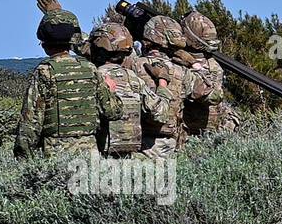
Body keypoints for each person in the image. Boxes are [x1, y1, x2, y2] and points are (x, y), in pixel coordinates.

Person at [16, 8, 117, 159]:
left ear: (44, 43)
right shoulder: (90, 68)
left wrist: (24, 160)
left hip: (56, 154)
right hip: (90, 154)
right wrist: (110, 90)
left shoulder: (45, 71)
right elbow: (113, 111)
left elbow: (30, 123)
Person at [88, 22, 175, 157]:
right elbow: (161, 113)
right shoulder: (133, 79)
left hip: (98, 156)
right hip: (128, 157)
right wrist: (162, 83)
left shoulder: (92, 77)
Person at [129, 14, 193, 154]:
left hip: (140, 143)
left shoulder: (133, 65)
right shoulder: (182, 71)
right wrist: (195, 63)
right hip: (172, 143)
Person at [179, 10, 238, 134]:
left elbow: (213, 96)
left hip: (189, 129)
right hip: (206, 130)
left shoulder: (205, 66)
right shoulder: (213, 64)